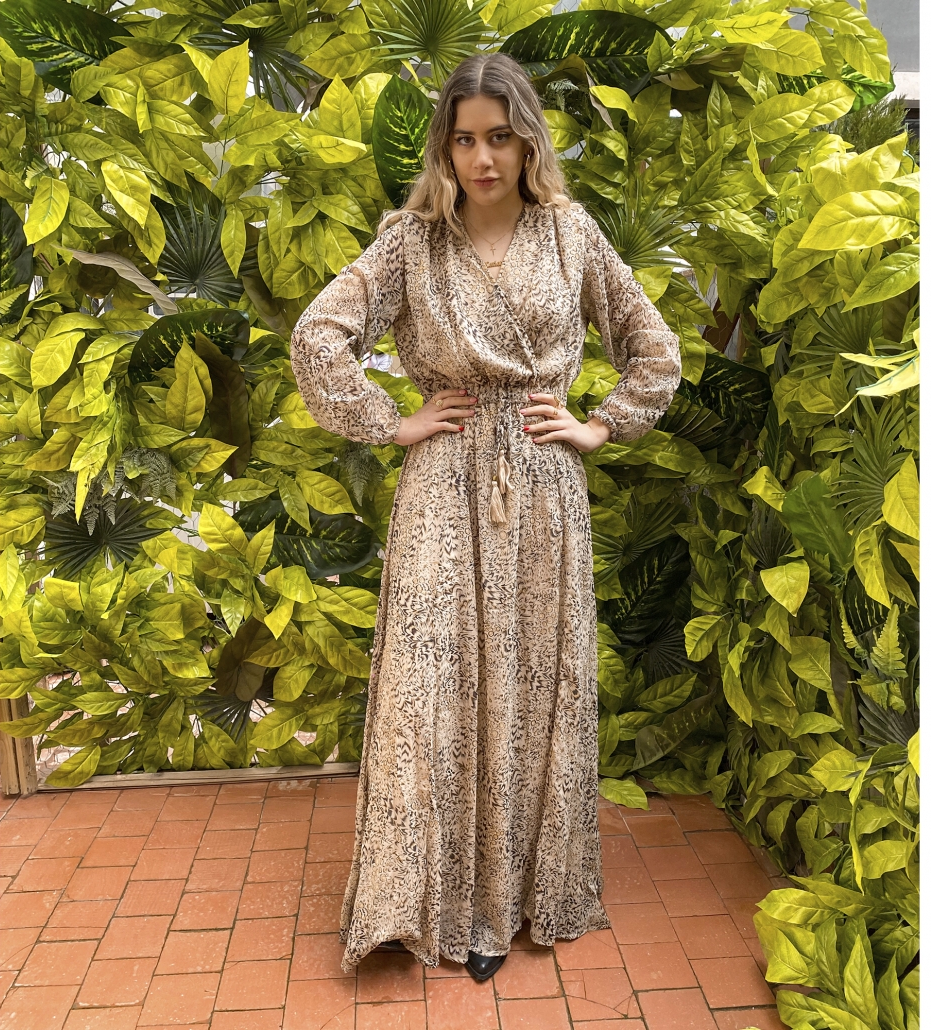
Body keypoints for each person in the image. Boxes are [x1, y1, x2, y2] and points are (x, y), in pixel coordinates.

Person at [289, 52, 681, 982]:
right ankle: (423, 900)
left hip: (543, 490)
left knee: (531, 686)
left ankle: (509, 902)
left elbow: (652, 346)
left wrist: (599, 425)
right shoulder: (411, 243)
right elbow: (319, 335)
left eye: (500, 137)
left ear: (528, 141)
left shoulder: (570, 234)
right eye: (464, 140)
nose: (483, 159)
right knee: (432, 686)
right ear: (444, 148)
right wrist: (392, 421)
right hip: (443, 482)